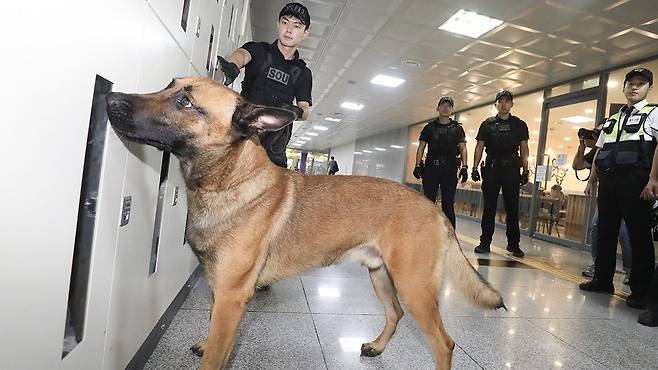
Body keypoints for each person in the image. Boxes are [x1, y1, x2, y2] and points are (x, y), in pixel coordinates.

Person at [581, 68, 658, 309]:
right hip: (609, 182)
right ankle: (602, 279)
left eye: (641, 83)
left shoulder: (653, 113)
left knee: (638, 236)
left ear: (649, 88)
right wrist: (592, 179)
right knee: (605, 232)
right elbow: (600, 152)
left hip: (636, 182)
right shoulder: (612, 119)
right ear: (623, 87)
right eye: (631, 83)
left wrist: (654, 179)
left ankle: (640, 290)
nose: (635, 87)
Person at [218, 2, 312, 168]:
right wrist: (233, 65)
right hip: (242, 135)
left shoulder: (303, 73)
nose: (289, 30)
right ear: (278, 25)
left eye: (296, 26)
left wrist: (295, 112)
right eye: (285, 22)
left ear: (305, 33)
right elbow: (242, 54)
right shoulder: (259, 50)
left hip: (274, 147)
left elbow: (305, 111)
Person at [471, 90, 529, 258]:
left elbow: (524, 149)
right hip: (492, 169)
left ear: (511, 104)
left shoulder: (519, 124)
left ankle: (513, 244)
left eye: (507, 101)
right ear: (496, 104)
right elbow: (479, 147)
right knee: (489, 208)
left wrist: (526, 170)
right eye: (500, 101)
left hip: (512, 169)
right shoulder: (487, 124)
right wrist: (474, 168)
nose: (503, 104)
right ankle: (484, 243)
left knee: (513, 208)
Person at [572, 131, 632, 283]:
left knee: (625, 233)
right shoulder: (600, 148)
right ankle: (598, 266)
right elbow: (578, 165)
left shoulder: (628, 142)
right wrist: (582, 146)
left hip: (629, 190)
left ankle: (630, 270)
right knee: (597, 228)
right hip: (608, 192)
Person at [413, 96, 468, 228]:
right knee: (428, 203)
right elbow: (421, 147)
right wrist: (417, 165)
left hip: (449, 169)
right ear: (438, 108)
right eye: (443, 105)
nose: (445, 108)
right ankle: (426, 232)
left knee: (448, 204)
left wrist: (465, 167)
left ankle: (450, 235)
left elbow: (463, 148)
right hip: (431, 168)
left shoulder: (457, 129)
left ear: (452, 110)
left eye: (448, 106)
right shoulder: (429, 128)